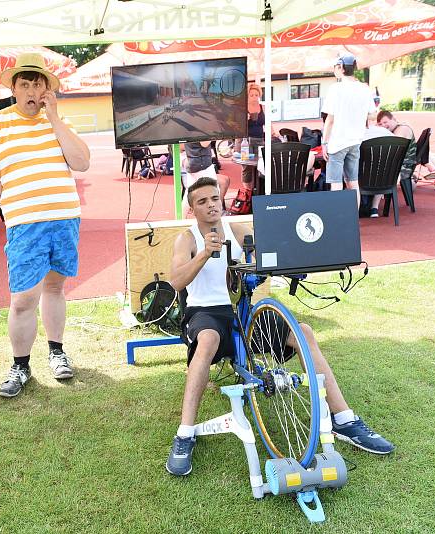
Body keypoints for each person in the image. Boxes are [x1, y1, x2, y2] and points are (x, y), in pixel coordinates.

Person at [165, 177, 394, 476]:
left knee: (304, 332)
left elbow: (268, 250)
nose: (211, 205)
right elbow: (175, 282)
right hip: (206, 311)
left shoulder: (236, 229)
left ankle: (345, 419)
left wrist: (285, 255)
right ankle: (184, 434)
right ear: (192, 209)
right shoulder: (188, 238)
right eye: (202, 202)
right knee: (207, 340)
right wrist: (206, 253)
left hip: (242, 308)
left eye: (214, 199)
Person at [0, 52, 90, 397]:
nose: (31, 90)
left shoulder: (58, 122)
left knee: (56, 288)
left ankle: (57, 352)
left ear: (46, 89)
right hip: (25, 223)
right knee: (24, 298)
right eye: (24, 83)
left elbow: (82, 162)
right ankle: (20, 366)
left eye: (37, 83)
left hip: (65, 217)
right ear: (13, 88)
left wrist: (54, 116)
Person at [321, 54, 376, 206]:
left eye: (335, 67)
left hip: (337, 142)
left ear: (341, 68)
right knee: (353, 184)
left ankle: (338, 221)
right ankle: (354, 222)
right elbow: (373, 114)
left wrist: (324, 142)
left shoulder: (335, 89)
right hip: (355, 141)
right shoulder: (365, 89)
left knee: (336, 184)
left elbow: (329, 120)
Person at [182, 141, 229, 211]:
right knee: (215, 190)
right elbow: (204, 143)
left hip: (192, 162)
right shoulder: (202, 130)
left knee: (188, 193)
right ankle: (217, 213)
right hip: (202, 163)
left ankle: (181, 217)